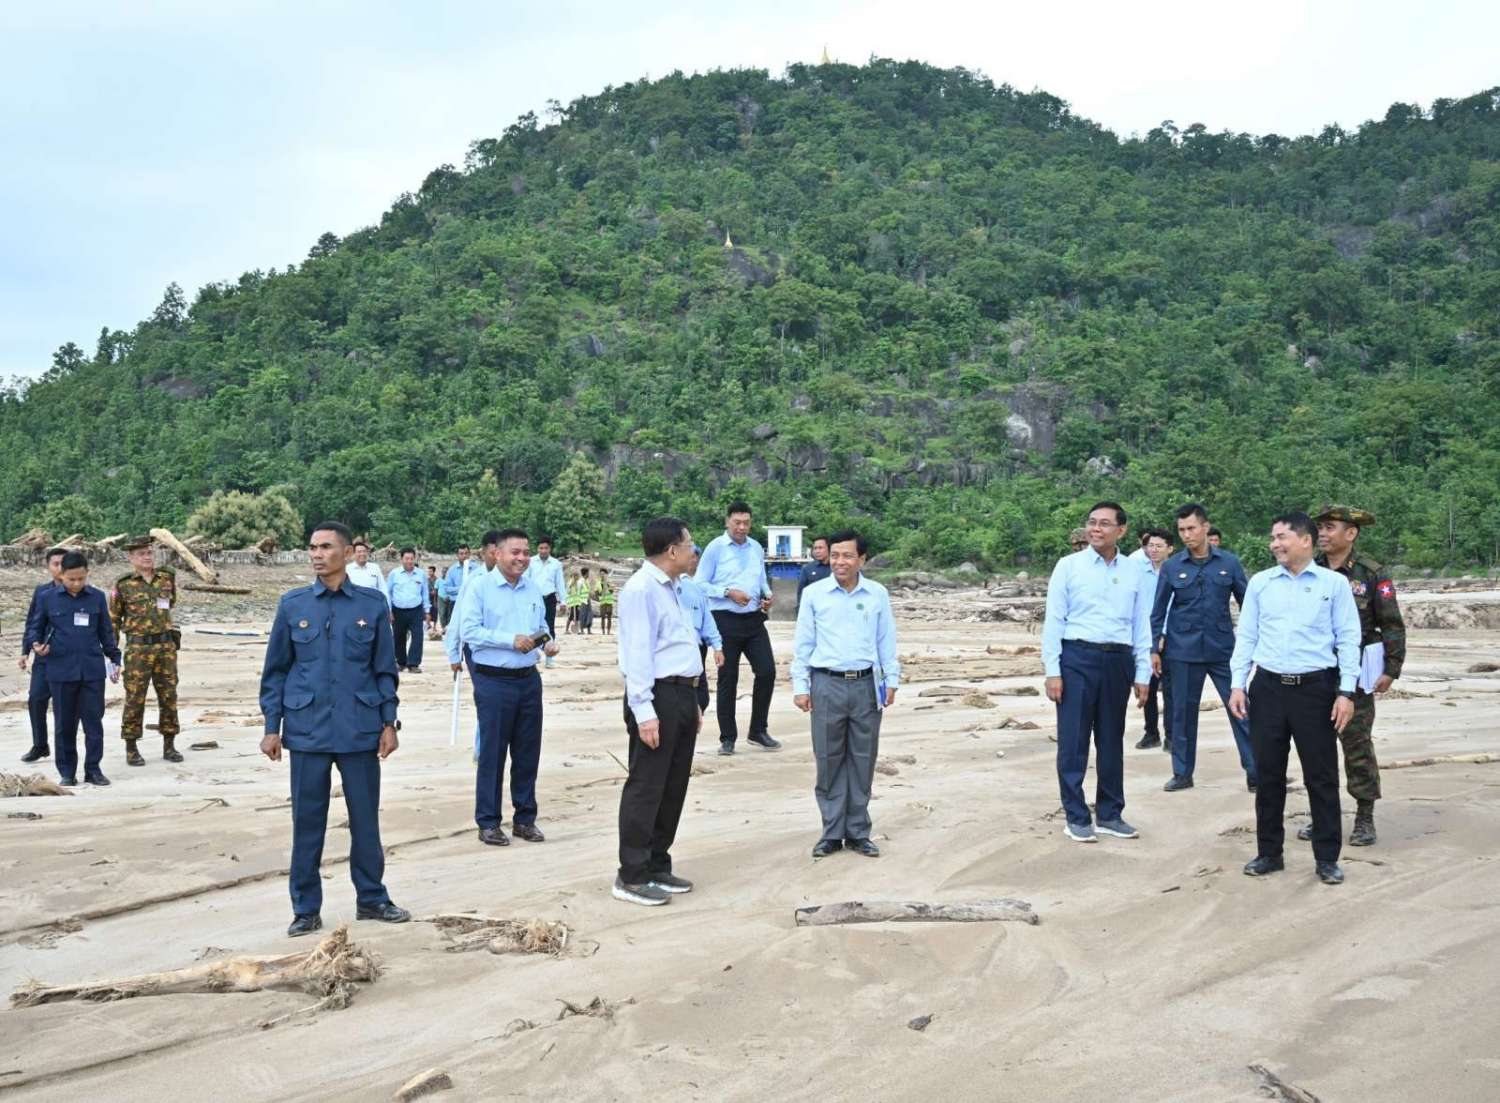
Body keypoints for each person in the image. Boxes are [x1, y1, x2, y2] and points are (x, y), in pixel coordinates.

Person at [258, 521, 409, 937]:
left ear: (346, 553)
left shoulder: (372, 605)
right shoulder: (293, 605)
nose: (317, 554)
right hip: (307, 730)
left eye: (325, 547)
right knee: (307, 822)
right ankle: (306, 909)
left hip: (359, 729)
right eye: (312, 547)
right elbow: (276, 672)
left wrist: (389, 722)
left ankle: (372, 898)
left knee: (365, 820)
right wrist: (272, 727)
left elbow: (384, 669)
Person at [1229, 512, 1360, 887]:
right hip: (1268, 688)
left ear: (1305, 540)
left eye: (1282, 537)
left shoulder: (1334, 584)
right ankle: (1269, 853)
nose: (1275, 544)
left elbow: (1348, 638)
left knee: (1321, 776)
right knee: (1268, 775)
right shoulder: (1261, 583)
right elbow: (1247, 636)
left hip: (1316, 690)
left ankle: (1327, 858)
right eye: (1273, 537)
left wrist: (1346, 692)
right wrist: (1238, 684)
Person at [1041, 502, 1153, 843]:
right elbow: (1054, 620)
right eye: (1092, 522)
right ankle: (1076, 817)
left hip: (1118, 659)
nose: (1096, 529)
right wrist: (1052, 670)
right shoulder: (1069, 566)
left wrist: (1143, 673)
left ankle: (1110, 814)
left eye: (1105, 524)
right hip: (1077, 657)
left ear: (1121, 530)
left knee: (1111, 740)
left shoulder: (1134, 570)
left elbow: (1141, 623)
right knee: (1073, 741)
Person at [791, 530, 900, 859]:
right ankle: (831, 832)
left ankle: (857, 832)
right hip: (826, 684)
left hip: (866, 685)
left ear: (862, 559)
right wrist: (801, 686)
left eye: (848, 556)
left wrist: (891, 679)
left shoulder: (877, 594)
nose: (840, 562)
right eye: (835, 555)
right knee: (828, 758)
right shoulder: (814, 594)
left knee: (863, 759)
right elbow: (804, 643)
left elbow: (886, 640)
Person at [613, 516, 705, 906]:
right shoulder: (641, 589)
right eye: (689, 544)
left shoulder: (675, 588)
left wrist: (693, 700)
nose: (693, 550)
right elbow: (637, 654)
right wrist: (644, 711)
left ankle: (656, 862)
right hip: (657, 696)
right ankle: (632, 874)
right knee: (647, 785)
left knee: (673, 784)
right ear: (671, 550)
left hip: (682, 693)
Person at [1309, 505, 1406, 847]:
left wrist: (1391, 668)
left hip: (1358, 673)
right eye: (1320, 527)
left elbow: (1391, 623)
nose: (1322, 534)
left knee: (1357, 745)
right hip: (1316, 669)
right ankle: (1323, 814)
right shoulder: (1310, 569)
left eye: (1329, 527)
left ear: (1351, 533)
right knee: (1315, 747)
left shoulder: (1371, 573)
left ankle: (1365, 816)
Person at [460, 529, 558, 847]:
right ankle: (488, 822)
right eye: (515, 552)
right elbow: (469, 631)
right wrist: (509, 640)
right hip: (493, 681)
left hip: (528, 679)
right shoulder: (480, 587)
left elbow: (541, 627)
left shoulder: (533, 588)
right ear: (497, 553)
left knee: (528, 751)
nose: (522, 558)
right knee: (493, 753)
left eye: (526, 552)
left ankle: (525, 819)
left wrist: (546, 643)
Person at [1150, 504, 1257, 793]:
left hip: (1222, 649)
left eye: (1191, 528)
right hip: (1182, 650)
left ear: (1206, 528)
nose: (1186, 535)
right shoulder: (1172, 567)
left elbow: (1249, 605)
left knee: (1240, 709)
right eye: (1181, 530)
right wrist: (1154, 648)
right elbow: (1157, 611)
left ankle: (1256, 771)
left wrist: (1254, 643)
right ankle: (1182, 773)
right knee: (1182, 714)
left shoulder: (1229, 563)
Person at [27, 550, 122, 785]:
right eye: (72, 579)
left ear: (87, 573)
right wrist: (36, 644)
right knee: (64, 725)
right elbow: (35, 627)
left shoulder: (97, 597)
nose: (77, 583)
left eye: (81, 578)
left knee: (93, 724)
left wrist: (115, 660)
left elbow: (106, 632)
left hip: (91, 670)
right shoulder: (47, 598)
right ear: (61, 574)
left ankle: (93, 770)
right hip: (60, 669)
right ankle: (67, 772)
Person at [695, 501, 780, 755]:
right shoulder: (715, 548)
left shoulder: (756, 547)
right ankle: (728, 737)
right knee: (728, 678)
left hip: (753, 619)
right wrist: (728, 592)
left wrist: (767, 595)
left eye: (746, 523)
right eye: (737, 522)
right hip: (724, 619)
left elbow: (760, 578)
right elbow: (699, 583)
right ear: (727, 522)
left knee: (767, 671)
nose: (742, 527)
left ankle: (758, 730)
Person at [109, 535, 182, 767]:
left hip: (165, 647)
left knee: (168, 696)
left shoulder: (166, 578)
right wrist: (112, 655)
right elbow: (114, 620)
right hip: (138, 648)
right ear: (131, 557)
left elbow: (170, 604)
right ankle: (131, 747)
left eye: (150, 552)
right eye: (141, 554)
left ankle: (169, 745)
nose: (147, 557)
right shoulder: (123, 585)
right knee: (135, 698)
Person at [445, 531, 501, 759]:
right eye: (492, 552)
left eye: (500, 552)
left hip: (502, 647)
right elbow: (458, 616)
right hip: (476, 648)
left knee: (498, 697)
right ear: (483, 553)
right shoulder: (474, 580)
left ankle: (490, 744)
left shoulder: (514, 578)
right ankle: (482, 748)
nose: (496, 557)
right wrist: (453, 654)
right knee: (486, 695)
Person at [17, 546, 67, 763]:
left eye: (64, 563)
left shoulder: (79, 591)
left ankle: (64, 750)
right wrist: (25, 651)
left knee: (63, 706)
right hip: (44, 656)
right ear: (48, 567)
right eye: (56, 564)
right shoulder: (42, 592)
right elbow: (32, 622)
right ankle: (40, 745)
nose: (60, 567)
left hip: (67, 658)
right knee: (36, 699)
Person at [1134, 528, 1174, 752]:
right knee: (1145, 686)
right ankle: (1151, 732)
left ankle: (1171, 736)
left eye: (1159, 546)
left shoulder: (1176, 572)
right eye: (1150, 546)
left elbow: (1172, 608)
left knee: (1170, 689)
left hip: (1170, 638)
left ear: (1170, 548)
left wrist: (1163, 635)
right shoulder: (1138, 572)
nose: (1154, 550)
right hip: (1145, 637)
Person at [678, 545, 725, 713]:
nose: (694, 561)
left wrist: (717, 646)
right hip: (681, 644)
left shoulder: (695, 586)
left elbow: (706, 619)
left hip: (698, 645)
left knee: (700, 692)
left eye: (696, 557)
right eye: (691, 556)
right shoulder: (673, 585)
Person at [384, 547, 431, 673]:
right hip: (398, 610)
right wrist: (389, 610)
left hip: (416, 610)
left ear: (415, 559)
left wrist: (427, 611)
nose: (409, 561)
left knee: (418, 637)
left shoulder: (421, 574)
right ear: (401, 559)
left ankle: (413, 664)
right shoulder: (394, 574)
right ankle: (401, 662)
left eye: (411, 558)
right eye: (407, 558)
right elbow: (388, 593)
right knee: (398, 637)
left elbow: (425, 593)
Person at [524, 536, 567, 666]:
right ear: (537, 549)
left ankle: (549, 657)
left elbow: (560, 583)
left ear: (550, 549)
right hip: (533, 599)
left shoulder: (556, 564)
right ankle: (534, 654)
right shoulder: (530, 562)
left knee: (549, 627)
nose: (543, 550)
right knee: (533, 627)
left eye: (546, 548)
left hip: (550, 598)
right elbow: (525, 579)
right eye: (541, 548)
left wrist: (563, 601)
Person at [440, 545, 480, 629]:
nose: (464, 556)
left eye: (466, 553)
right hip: (455, 604)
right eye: (461, 554)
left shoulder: (477, 569)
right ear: (457, 555)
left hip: (473, 603)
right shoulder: (452, 570)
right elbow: (447, 588)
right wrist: (462, 588)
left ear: (469, 554)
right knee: (455, 629)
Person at [796, 536, 831, 604]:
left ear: (829, 549)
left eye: (820, 548)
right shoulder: (807, 569)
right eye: (815, 548)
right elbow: (801, 592)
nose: (817, 551)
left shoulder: (836, 567)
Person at [573, 569, 596, 635]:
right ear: (586, 573)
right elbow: (578, 593)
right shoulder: (580, 582)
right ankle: (582, 630)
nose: (589, 574)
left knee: (590, 615)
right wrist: (578, 603)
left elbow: (588, 591)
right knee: (583, 615)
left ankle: (589, 630)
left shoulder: (587, 581)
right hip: (582, 601)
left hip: (588, 600)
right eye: (588, 573)